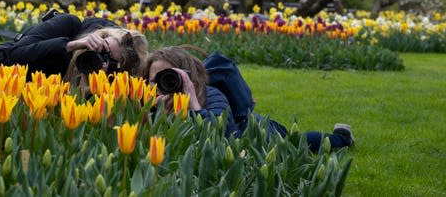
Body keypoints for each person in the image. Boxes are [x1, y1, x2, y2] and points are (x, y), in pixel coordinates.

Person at [141, 46, 354, 152]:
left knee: (296, 145)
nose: (161, 85)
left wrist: (193, 105)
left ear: (186, 77)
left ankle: (341, 138)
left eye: (168, 78)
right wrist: (151, 114)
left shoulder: (211, 95)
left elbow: (216, 132)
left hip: (256, 136)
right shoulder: (145, 104)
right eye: (153, 80)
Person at [0, 11, 148, 82]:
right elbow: (15, 56)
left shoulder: (103, 74)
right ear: (101, 35)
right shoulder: (69, 25)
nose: (102, 60)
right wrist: (70, 46)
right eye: (103, 51)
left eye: (111, 62)